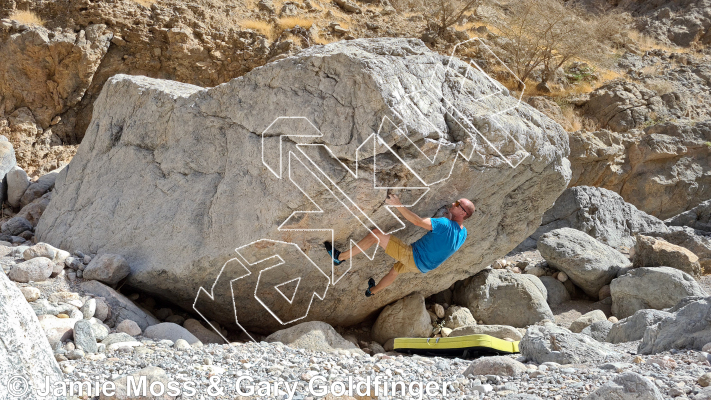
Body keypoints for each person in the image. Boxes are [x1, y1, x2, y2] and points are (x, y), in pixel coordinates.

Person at [325, 194, 475, 297]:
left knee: (376, 234)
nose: (453, 203)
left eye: (457, 204)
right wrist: (450, 215)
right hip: (423, 267)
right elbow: (448, 237)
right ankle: (372, 291)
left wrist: (398, 205)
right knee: (394, 271)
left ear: (462, 213)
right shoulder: (463, 233)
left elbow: (417, 221)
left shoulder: (444, 224)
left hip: (413, 256)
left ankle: (340, 257)